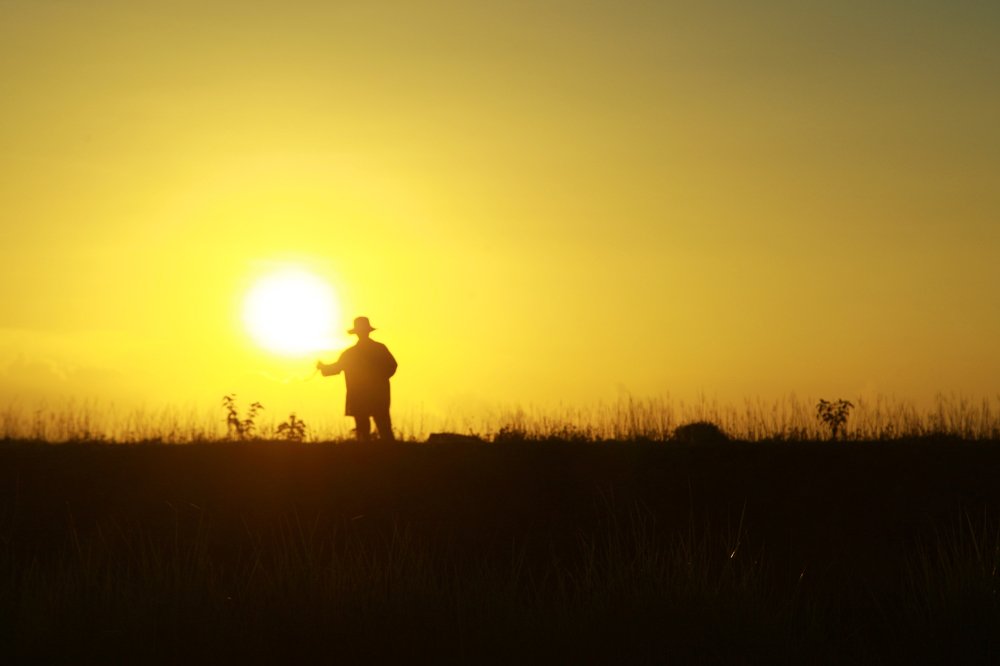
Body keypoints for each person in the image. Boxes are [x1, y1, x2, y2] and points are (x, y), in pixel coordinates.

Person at [317, 316, 397, 442]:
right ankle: (391, 453)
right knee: (384, 426)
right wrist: (380, 381)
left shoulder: (350, 353)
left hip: (359, 395)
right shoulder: (379, 348)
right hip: (378, 394)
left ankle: (364, 453)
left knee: (363, 427)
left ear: (357, 333)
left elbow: (336, 368)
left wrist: (322, 367)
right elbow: (392, 366)